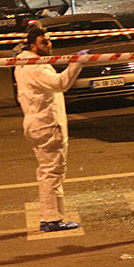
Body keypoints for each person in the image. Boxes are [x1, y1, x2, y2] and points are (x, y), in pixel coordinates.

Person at [14, 25, 88, 232]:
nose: (49, 45)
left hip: (35, 122)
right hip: (46, 124)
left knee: (46, 171)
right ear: (32, 46)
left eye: (49, 40)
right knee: (53, 172)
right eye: (44, 42)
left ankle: (50, 217)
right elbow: (60, 83)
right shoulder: (36, 66)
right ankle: (51, 219)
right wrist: (77, 63)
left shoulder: (22, 63)